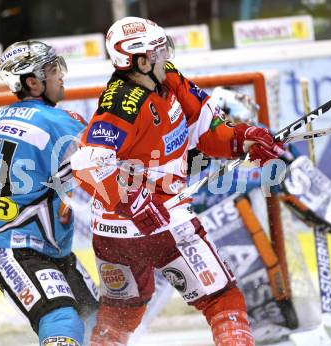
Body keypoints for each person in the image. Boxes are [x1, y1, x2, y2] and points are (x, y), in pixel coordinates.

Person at [71, 17, 284, 346]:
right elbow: (86, 164)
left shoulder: (168, 78)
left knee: (120, 317)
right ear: (139, 61)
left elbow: (207, 131)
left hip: (115, 233)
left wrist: (243, 139)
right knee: (222, 301)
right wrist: (136, 203)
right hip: (160, 222)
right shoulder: (121, 103)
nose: (165, 56)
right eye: (157, 51)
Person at [0, 40, 99, 346]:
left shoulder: (5, 115)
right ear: (32, 82)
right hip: (14, 247)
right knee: (62, 319)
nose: (61, 76)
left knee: (97, 322)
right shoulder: (59, 122)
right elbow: (106, 173)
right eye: (53, 70)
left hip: (37, 246)